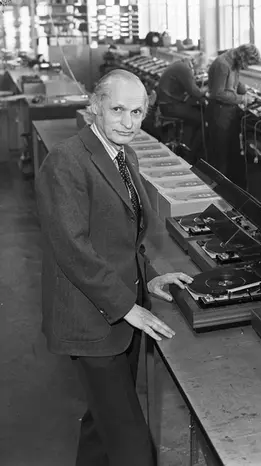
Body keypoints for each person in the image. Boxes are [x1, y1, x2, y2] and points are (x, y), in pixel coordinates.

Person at [36, 69, 194, 466]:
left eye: (137, 112)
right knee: (133, 448)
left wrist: (150, 277)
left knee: (102, 426)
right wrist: (126, 306)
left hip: (121, 317)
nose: (128, 122)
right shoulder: (67, 162)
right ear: (95, 107)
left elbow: (124, 238)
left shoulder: (126, 155)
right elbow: (73, 249)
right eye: (118, 109)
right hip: (91, 321)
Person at [205, 43, 261, 189]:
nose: (246, 67)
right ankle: (217, 189)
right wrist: (242, 99)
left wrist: (247, 92)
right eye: (246, 63)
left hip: (229, 112)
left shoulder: (233, 62)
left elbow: (235, 81)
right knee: (220, 153)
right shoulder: (222, 65)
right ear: (242, 57)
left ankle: (229, 188)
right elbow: (218, 93)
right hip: (220, 113)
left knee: (231, 153)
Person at [156, 56, 208, 162]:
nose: (196, 72)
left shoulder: (179, 65)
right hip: (170, 107)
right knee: (201, 118)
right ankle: (192, 154)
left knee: (194, 113)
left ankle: (186, 142)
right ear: (195, 64)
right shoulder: (185, 69)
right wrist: (208, 87)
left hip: (166, 104)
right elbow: (196, 93)